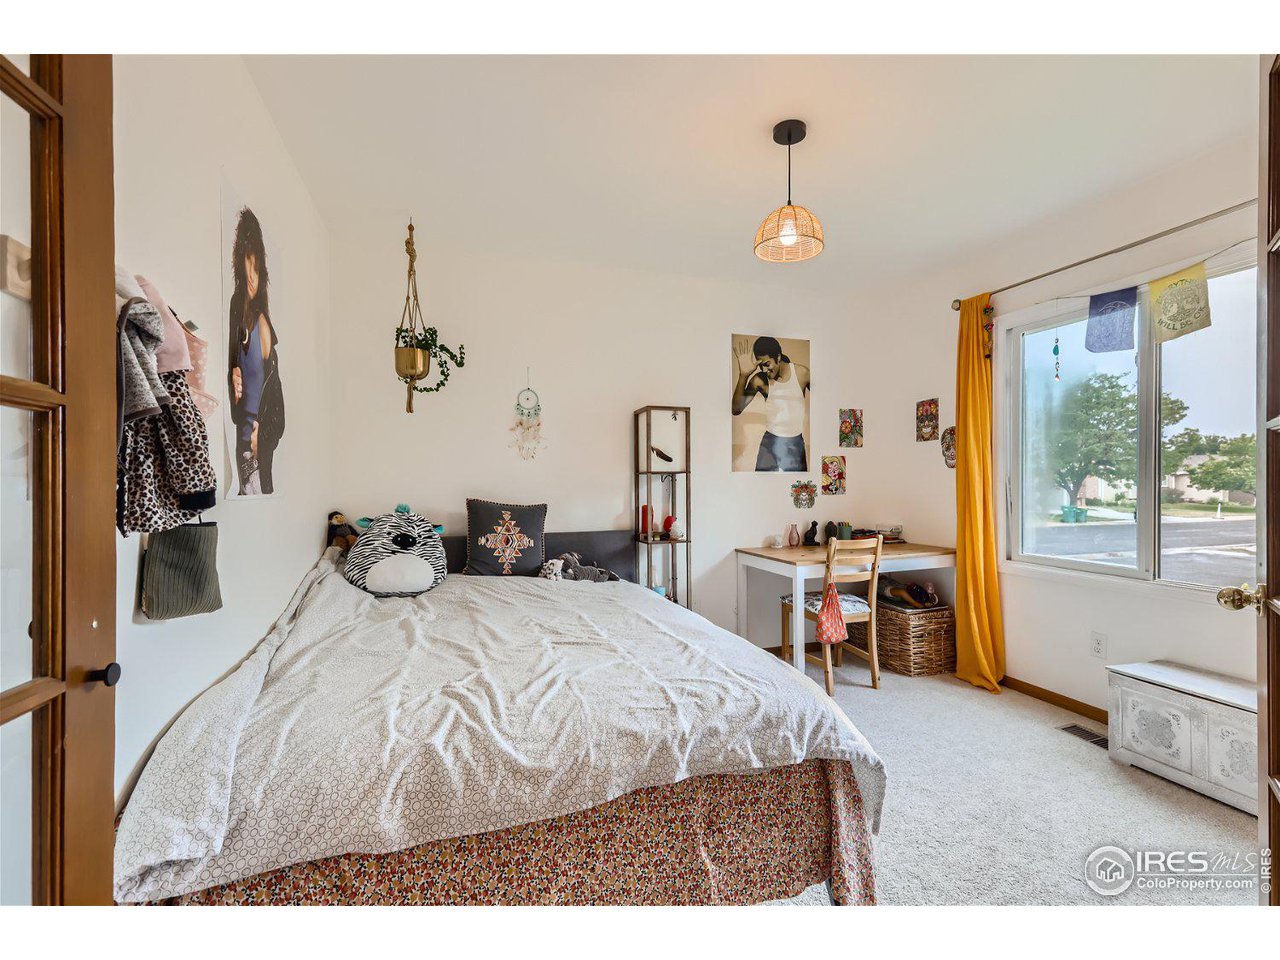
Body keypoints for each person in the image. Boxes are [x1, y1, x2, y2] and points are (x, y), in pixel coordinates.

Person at [227, 207, 285, 495]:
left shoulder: (262, 323)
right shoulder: (236, 308)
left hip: (256, 443)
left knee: (258, 492)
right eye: (247, 265)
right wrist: (234, 380)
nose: (251, 277)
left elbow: (273, 392)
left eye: (257, 269)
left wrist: (262, 432)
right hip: (244, 439)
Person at [732, 335, 809, 471]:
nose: (764, 370)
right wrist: (743, 375)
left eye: (767, 364)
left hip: (795, 444)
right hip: (770, 443)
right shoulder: (760, 380)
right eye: (760, 365)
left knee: (796, 484)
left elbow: (826, 400)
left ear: (778, 357)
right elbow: (736, 409)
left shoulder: (802, 374)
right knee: (762, 483)